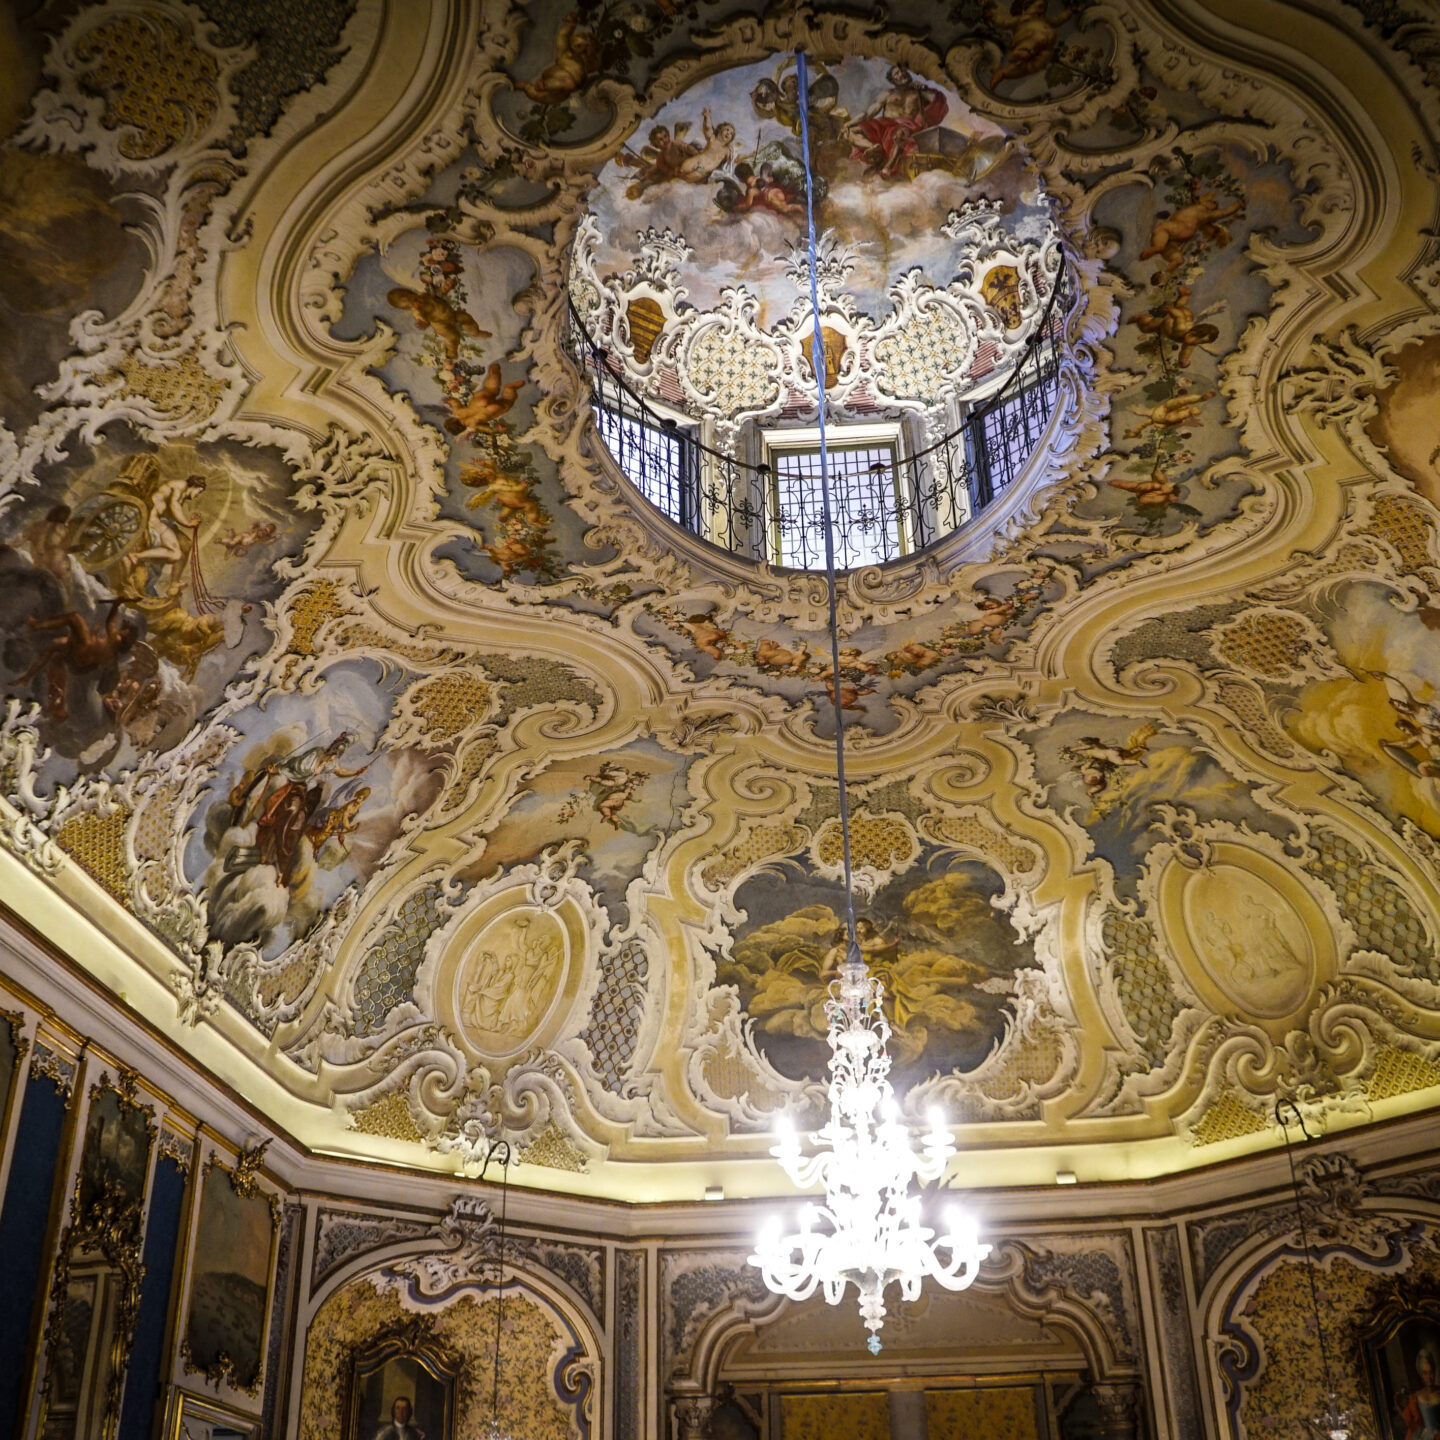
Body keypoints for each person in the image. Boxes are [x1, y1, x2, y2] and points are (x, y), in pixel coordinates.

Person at [1397, 1345, 1440, 1440]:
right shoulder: (1415, 1397)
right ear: (1421, 1375)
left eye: (1431, 1372)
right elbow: (1411, 1423)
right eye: (1425, 1373)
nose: (1429, 1377)